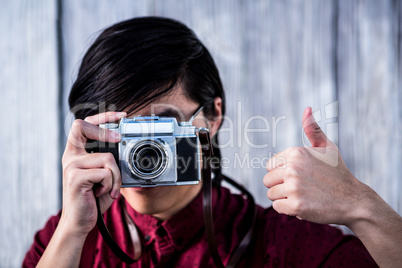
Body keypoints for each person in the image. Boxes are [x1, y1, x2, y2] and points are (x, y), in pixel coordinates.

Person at [23, 16, 402, 268]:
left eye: (163, 122)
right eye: (121, 127)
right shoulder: (64, 239)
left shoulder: (284, 243)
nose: (144, 149)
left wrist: (361, 205)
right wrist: (73, 231)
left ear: (212, 116)